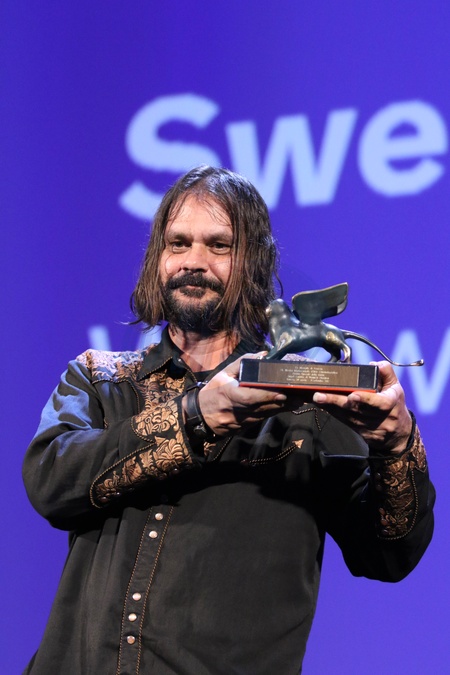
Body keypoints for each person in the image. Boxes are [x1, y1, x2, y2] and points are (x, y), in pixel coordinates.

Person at [23, 165, 435, 675]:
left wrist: (396, 447)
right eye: (178, 243)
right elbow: (50, 481)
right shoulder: (100, 379)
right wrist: (198, 416)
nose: (194, 261)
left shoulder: (307, 402)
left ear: (254, 263)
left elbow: (388, 555)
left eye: (219, 246)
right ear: (157, 258)